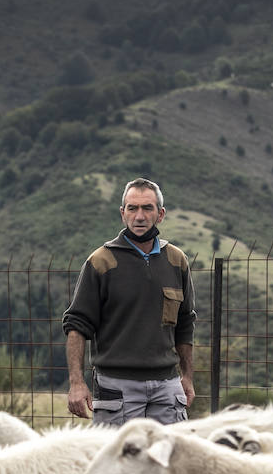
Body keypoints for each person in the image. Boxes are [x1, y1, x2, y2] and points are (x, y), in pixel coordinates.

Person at [63, 178, 196, 424]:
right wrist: (77, 383)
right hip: (117, 387)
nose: (140, 216)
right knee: (117, 461)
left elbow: (185, 322)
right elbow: (76, 325)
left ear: (161, 214)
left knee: (170, 461)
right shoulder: (101, 262)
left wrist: (187, 377)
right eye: (132, 208)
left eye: (147, 208)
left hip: (167, 388)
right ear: (122, 213)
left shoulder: (176, 261)